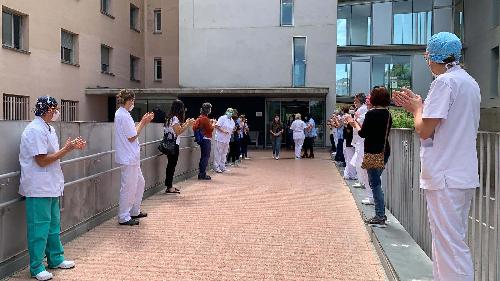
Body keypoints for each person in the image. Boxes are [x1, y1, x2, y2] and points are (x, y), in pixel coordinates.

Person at [393, 32, 480, 281]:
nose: (427, 61)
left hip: (445, 175)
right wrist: (421, 105)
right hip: (460, 173)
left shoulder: (444, 83)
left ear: (435, 56)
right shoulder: (469, 82)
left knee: (450, 246)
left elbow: (424, 129)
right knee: (450, 241)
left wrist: (416, 108)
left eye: (427, 56)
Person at [19, 96, 86, 281]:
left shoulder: (48, 129)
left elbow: (52, 156)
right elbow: (41, 160)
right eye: (55, 109)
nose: (57, 112)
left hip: (51, 186)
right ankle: (36, 267)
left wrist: (68, 147)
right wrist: (67, 149)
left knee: (53, 226)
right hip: (37, 187)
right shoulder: (34, 130)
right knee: (38, 229)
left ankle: (55, 258)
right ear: (47, 110)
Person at [347, 86, 392, 227]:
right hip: (384, 150)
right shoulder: (388, 114)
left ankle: (380, 215)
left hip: (373, 151)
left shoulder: (372, 114)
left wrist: (354, 124)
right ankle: (380, 214)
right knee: (376, 181)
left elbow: (362, 133)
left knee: (375, 184)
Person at [114, 89, 154, 226]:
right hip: (128, 157)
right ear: (128, 101)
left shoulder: (123, 114)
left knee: (139, 183)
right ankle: (124, 216)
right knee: (128, 187)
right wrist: (143, 122)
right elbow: (132, 136)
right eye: (132, 100)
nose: (133, 103)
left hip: (131, 157)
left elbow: (131, 133)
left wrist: (143, 122)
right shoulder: (123, 115)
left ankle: (134, 210)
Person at [163, 100, 195, 194]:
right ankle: (169, 187)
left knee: (171, 165)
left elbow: (177, 129)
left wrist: (186, 123)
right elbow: (178, 131)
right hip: (173, 145)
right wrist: (188, 124)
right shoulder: (174, 119)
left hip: (170, 144)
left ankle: (170, 185)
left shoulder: (170, 118)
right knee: (171, 166)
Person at [351, 93, 372, 205]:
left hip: (365, 143)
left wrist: (353, 121)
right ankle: (369, 193)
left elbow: (361, 127)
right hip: (361, 141)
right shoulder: (363, 110)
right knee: (361, 166)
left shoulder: (366, 111)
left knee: (366, 169)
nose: (354, 101)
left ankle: (371, 196)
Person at [193, 102, 216, 180]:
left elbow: (194, 127)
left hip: (201, 139)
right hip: (206, 139)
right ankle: (202, 174)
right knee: (205, 157)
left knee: (203, 157)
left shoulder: (199, 118)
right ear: (208, 110)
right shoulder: (205, 118)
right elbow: (210, 129)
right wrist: (213, 123)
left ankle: (201, 173)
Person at [214, 108, 235, 173]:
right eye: (229, 111)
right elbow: (217, 126)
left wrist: (232, 131)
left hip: (227, 139)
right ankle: (216, 167)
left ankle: (222, 167)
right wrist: (223, 131)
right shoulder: (222, 118)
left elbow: (232, 129)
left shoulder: (232, 121)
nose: (230, 113)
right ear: (226, 112)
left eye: (231, 112)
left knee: (224, 153)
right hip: (220, 138)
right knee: (218, 153)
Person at [343, 106, 357, 180]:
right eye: (350, 109)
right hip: (349, 141)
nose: (351, 110)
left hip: (354, 141)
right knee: (350, 158)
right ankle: (350, 174)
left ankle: (349, 174)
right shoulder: (349, 120)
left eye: (352, 109)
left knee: (352, 159)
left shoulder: (354, 119)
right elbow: (348, 130)